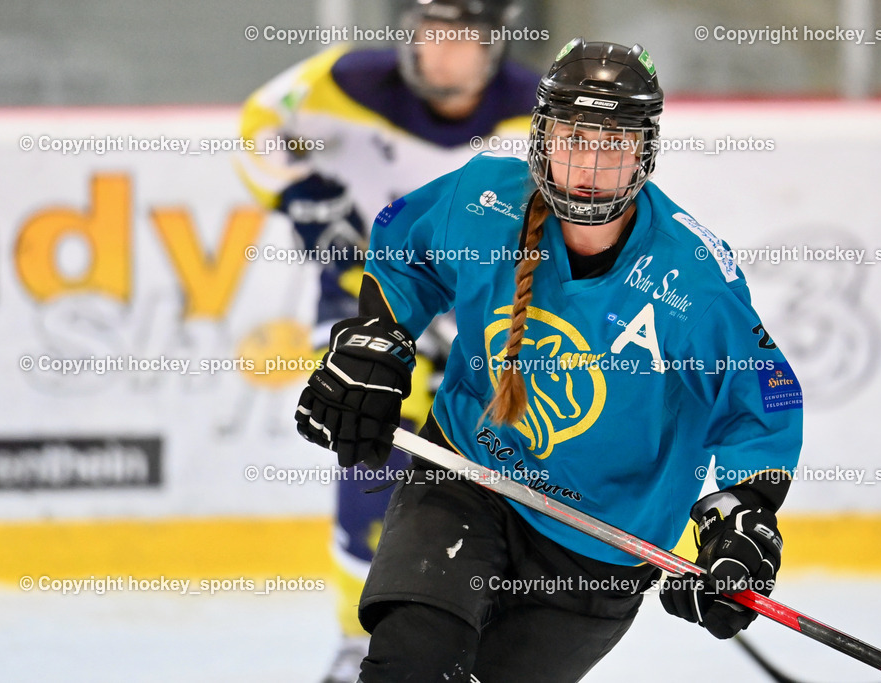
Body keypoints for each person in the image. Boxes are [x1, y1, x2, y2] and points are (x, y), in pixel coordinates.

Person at [295, 37, 804, 681]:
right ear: (541, 138)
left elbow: (763, 402)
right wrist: (376, 341)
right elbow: (406, 252)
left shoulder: (692, 280)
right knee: (411, 665)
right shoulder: (484, 200)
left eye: (613, 144)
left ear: (644, 152)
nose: (589, 165)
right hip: (466, 474)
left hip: (597, 547)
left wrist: (742, 518)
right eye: (573, 139)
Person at [237, 2, 539, 680]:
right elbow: (258, 124)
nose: (443, 52)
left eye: (462, 38)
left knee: (501, 461)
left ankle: (487, 627)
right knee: (369, 441)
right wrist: (299, 193)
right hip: (366, 300)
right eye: (431, 34)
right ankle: (357, 637)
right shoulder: (346, 82)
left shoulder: (533, 111)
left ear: (494, 45)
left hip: (486, 314)